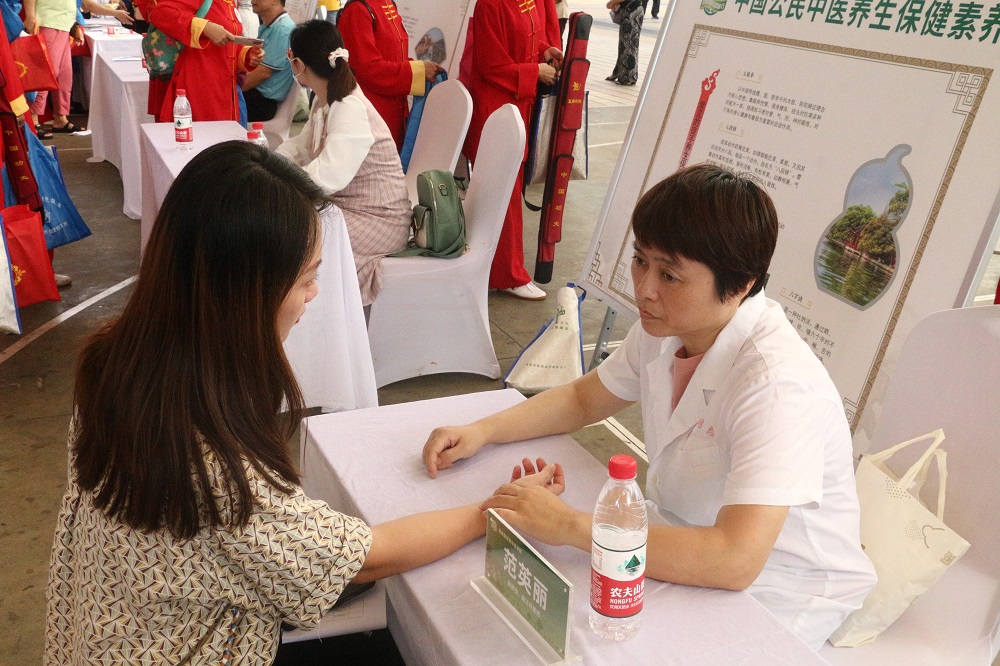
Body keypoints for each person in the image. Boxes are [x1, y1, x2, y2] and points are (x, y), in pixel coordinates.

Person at [42, 141, 563, 665]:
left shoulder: (117, 358)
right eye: (308, 278)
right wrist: (490, 511)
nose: (313, 295)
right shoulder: (211, 456)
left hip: (100, 632)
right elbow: (358, 561)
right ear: (248, 291)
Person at [423, 164, 878, 650]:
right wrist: (483, 431)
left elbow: (735, 560)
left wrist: (571, 526)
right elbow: (583, 398)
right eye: (641, 260)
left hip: (783, 589)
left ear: (741, 284)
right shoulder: (668, 327)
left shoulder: (777, 386)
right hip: (684, 541)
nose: (644, 289)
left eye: (670, 275)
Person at [277, 20, 410, 308]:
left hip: (377, 221)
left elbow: (326, 177)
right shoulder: (326, 100)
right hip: (351, 209)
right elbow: (301, 146)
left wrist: (273, 184)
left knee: (287, 238)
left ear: (298, 64)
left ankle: (307, 322)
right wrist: (270, 164)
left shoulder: (348, 108)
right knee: (284, 233)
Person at [460, 0, 563, 301]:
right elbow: (491, 65)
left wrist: (544, 50)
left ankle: (494, 268)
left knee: (504, 194)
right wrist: (535, 72)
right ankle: (506, 274)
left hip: (517, 106)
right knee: (503, 197)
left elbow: (522, 39)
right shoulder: (490, 4)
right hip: (497, 111)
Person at [337, 0, 443, 151]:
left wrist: (422, 70)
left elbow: (393, 57)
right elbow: (368, 68)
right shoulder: (357, 9)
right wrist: (418, 71)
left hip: (393, 111)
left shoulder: (386, 3)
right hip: (371, 116)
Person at [145, 0, 264, 123]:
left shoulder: (230, 2)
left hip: (224, 88)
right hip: (199, 85)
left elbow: (228, 46)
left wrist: (249, 55)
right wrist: (205, 27)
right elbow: (160, 13)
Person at [24, 0, 84, 134]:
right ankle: (33, 119)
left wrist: (74, 26)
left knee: (64, 75)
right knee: (46, 73)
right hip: (48, 21)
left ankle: (60, 118)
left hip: (64, 23)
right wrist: (30, 16)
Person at [242, 0, 294, 122]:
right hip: (255, 96)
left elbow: (263, 73)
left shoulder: (282, 29)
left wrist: (230, 90)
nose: (252, 0)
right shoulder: (269, 26)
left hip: (261, 102)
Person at [606, 0, 642, 85]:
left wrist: (612, 2)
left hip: (631, 11)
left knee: (627, 45)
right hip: (634, 9)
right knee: (627, 44)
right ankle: (619, 73)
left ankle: (627, 77)